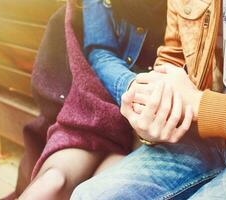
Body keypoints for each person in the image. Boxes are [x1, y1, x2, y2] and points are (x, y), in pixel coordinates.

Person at [71, 0, 226, 199]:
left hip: (223, 128)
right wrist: (152, 108)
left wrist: (200, 104)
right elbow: (173, 58)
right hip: (198, 133)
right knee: (88, 195)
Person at [18, 0, 167, 199]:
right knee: (54, 183)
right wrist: (132, 87)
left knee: (92, 189)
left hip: (150, 114)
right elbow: (100, 52)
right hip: (105, 105)